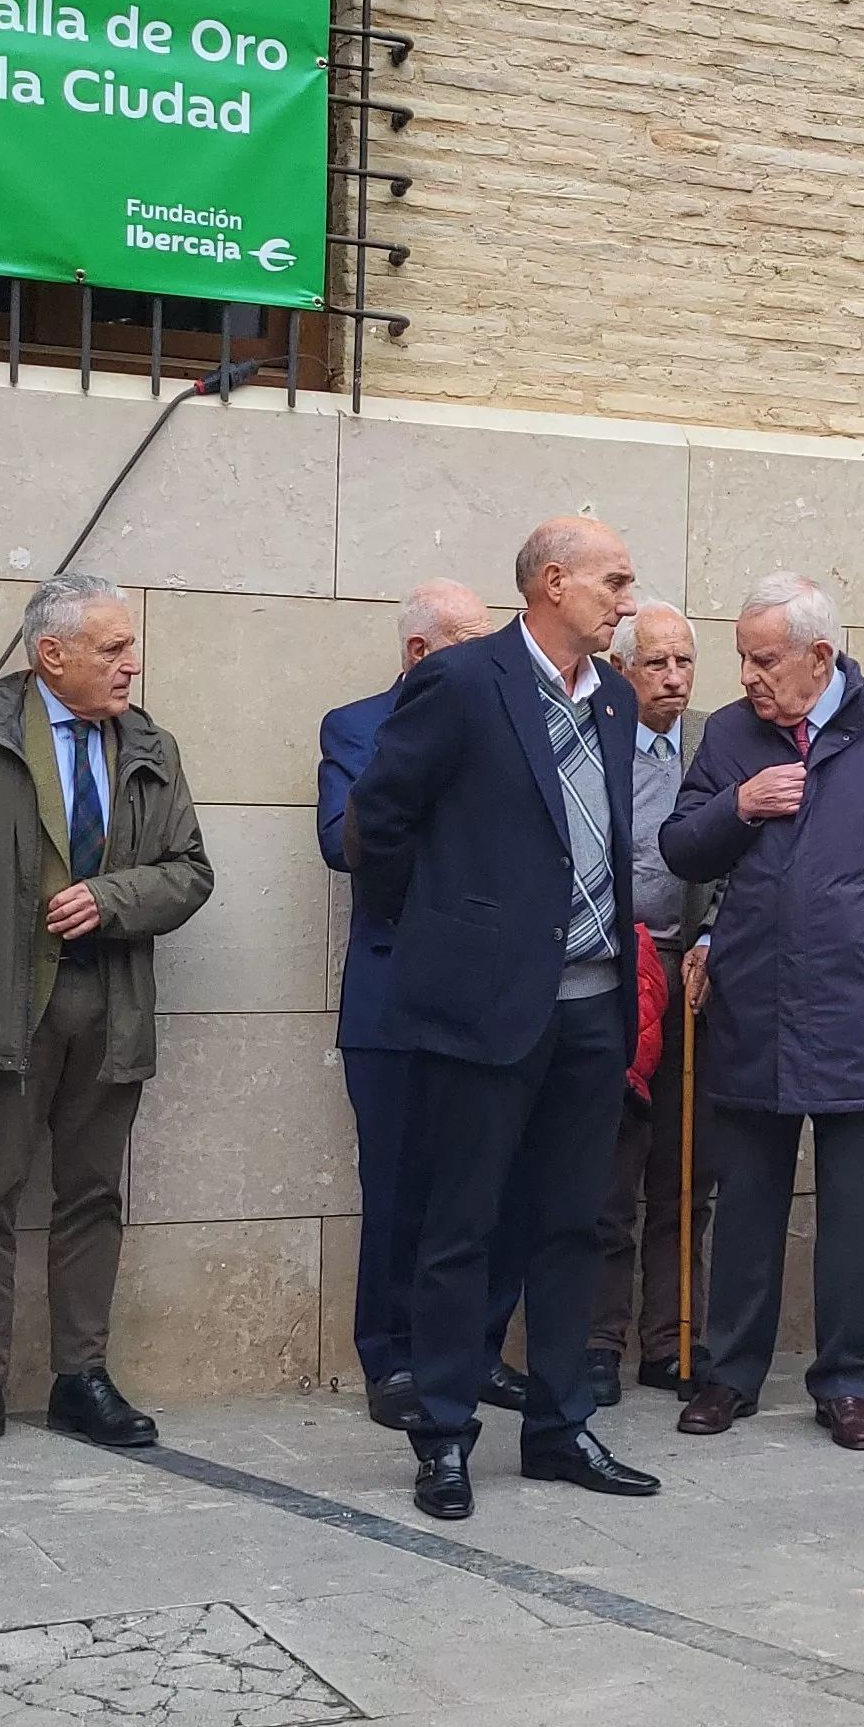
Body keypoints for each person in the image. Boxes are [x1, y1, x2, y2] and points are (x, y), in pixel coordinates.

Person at [348, 517, 663, 1520]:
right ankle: (441, 1432)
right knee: (461, 1227)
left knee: (572, 1223)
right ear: (552, 582)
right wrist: (447, 931)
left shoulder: (611, 697)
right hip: (481, 1009)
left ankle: (560, 1425)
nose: (626, 596)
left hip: (591, 1003)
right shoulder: (464, 681)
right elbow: (377, 822)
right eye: (613, 580)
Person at [0, 573, 215, 1462]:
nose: (130, 664)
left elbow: (190, 869)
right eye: (112, 648)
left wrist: (112, 897)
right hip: (0, 1003)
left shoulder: (149, 744)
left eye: (129, 645)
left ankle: (83, 1376)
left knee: (94, 1193)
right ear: (51, 654)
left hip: (105, 1003)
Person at [663, 573, 864, 1451]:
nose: (745, 676)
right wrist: (739, 804)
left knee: (852, 1215)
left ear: (819, 656)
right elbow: (680, 848)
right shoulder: (731, 735)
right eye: (739, 656)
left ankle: (845, 1382)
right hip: (754, 1009)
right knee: (746, 1208)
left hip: (863, 1009)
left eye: (763, 659)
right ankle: (728, 1374)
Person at [317, 579, 496, 1431]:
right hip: (392, 991)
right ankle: (388, 1357)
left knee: (476, 1185)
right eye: (469, 640)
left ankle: (466, 1353)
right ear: (422, 651)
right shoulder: (356, 726)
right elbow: (340, 839)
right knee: (394, 1186)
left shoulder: (506, 723)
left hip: (485, 991)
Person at [591, 599, 719, 1403]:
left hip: (696, 971)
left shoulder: (717, 742)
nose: (672, 679)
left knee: (687, 1165)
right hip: (611, 967)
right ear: (622, 668)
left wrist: (717, 937)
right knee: (607, 1167)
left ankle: (674, 1338)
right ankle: (596, 1338)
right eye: (655, 664)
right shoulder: (593, 736)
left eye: (683, 663)